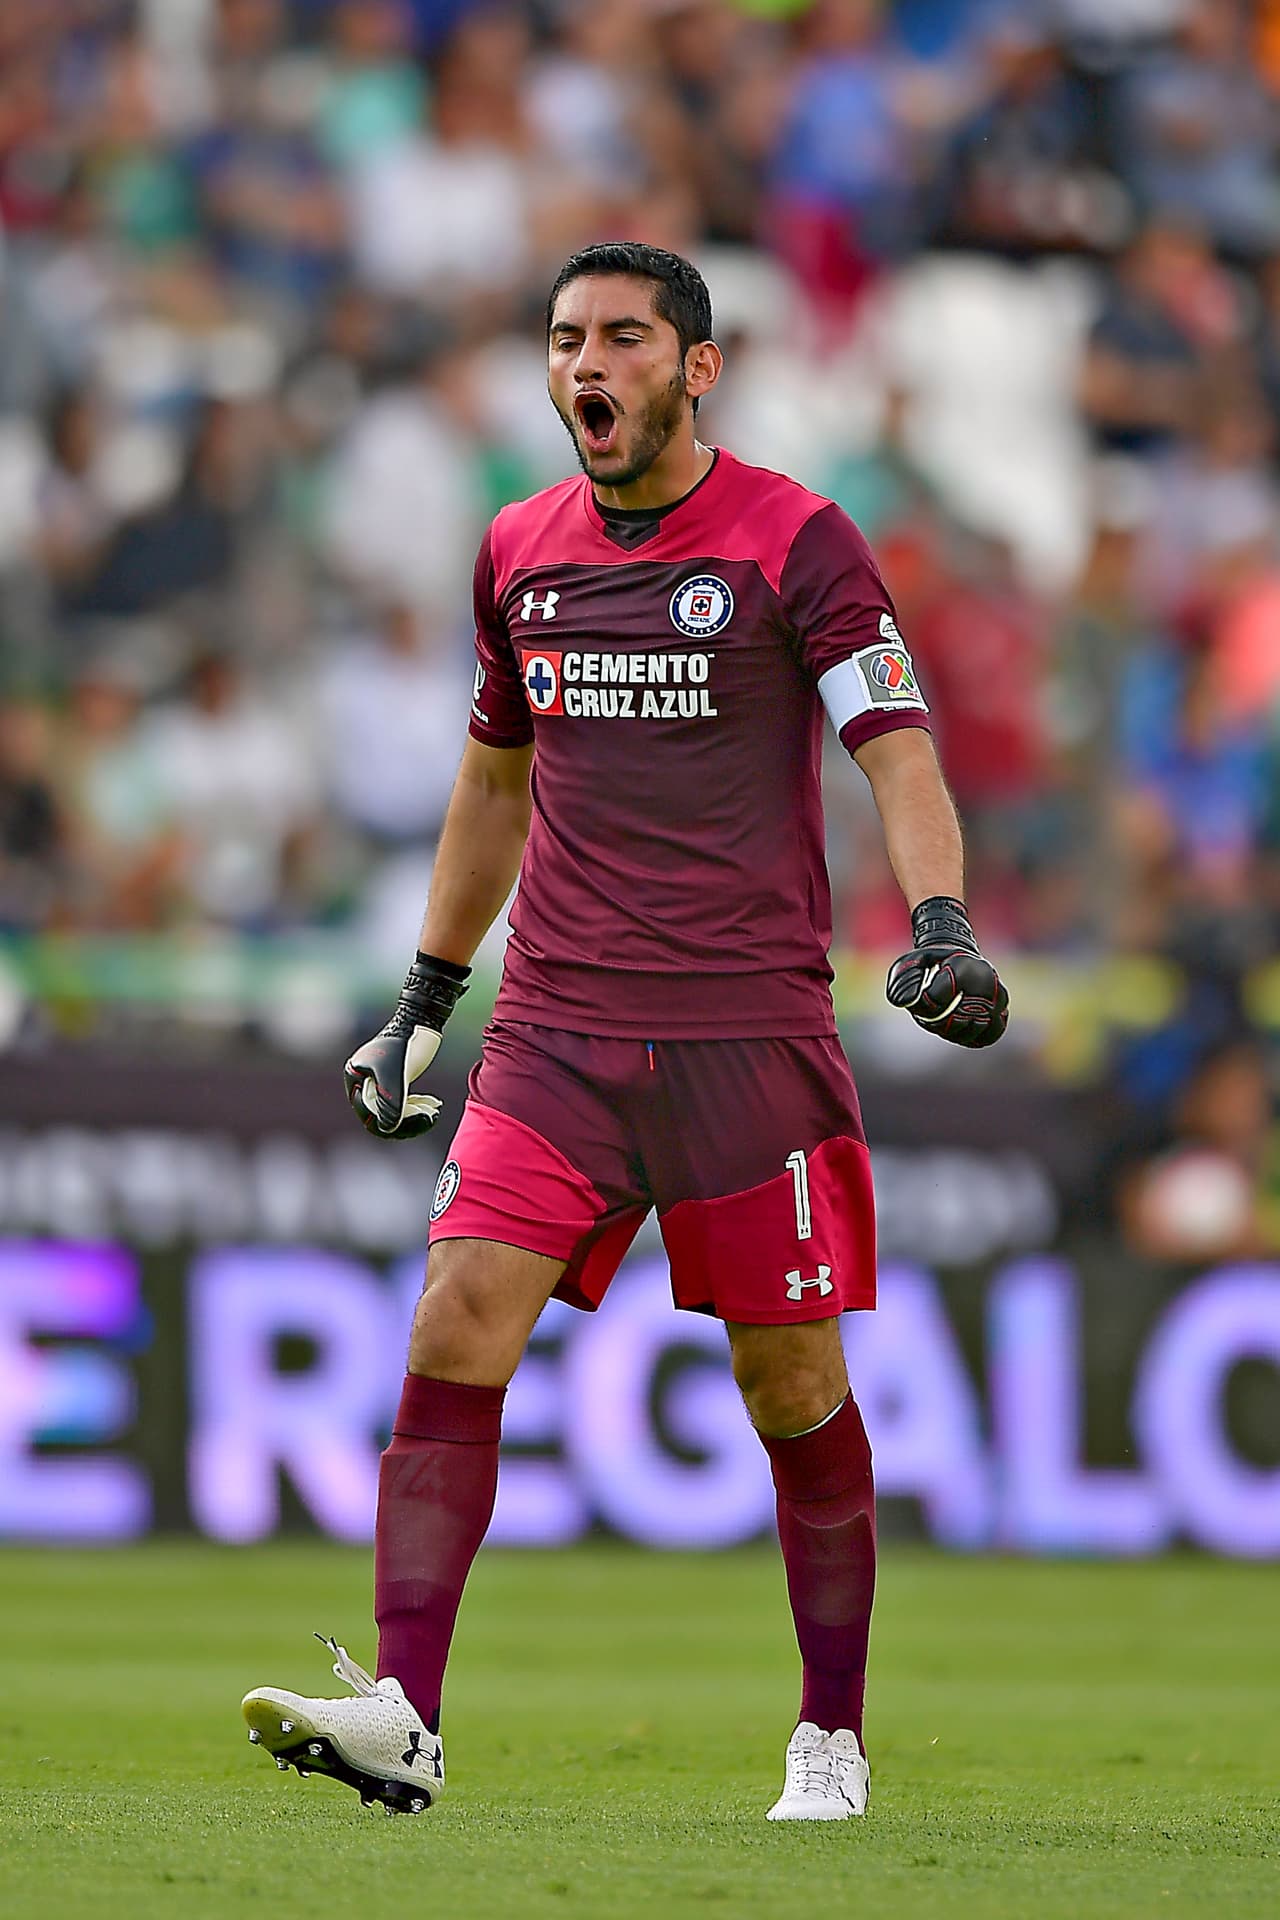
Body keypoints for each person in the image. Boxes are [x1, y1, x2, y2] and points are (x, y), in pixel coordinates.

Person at [241, 242, 1008, 1821]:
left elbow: (899, 748)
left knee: (791, 1388)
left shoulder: (799, 538)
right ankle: (405, 1710)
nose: (587, 365)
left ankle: (833, 1734)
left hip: (746, 1034)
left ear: (697, 367)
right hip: (560, 1028)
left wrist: (938, 924)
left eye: (625, 339)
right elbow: (492, 779)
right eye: (565, 338)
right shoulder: (518, 548)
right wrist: (423, 998)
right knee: (456, 1319)